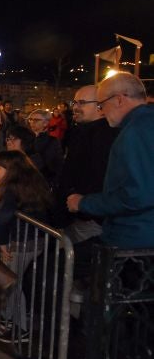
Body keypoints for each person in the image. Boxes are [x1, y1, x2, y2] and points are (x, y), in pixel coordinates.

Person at [67, 73, 153, 249]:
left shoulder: (134, 132)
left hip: (133, 237)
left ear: (119, 100)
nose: (101, 111)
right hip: (140, 235)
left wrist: (83, 203)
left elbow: (136, 196)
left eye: (101, 104)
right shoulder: (144, 125)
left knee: (58, 262)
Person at [0, 150, 52, 342]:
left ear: (11, 170)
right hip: (35, 241)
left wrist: (2, 244)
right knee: (12, 280)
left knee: (11, 283)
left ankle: (20, 328)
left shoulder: (10, 190)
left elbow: (3, 218)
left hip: (18, 242)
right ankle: (7, 318)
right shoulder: (31, 186)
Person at [55, 86, 120, 242]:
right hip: (76, 214)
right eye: (74, 102)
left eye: (82, 103)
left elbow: (99, 176)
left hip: (88, 217)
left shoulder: (105, 136)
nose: (75, 107)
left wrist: (85, 206)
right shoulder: (81, 132)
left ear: (100, 107)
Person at [24, 109, 63, 187]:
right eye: (30, 119)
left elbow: (52, 165)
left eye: (36, 120)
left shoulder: (52, 141)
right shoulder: (26, 138)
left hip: (43, 182)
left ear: (45, 123)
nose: (32, 122)